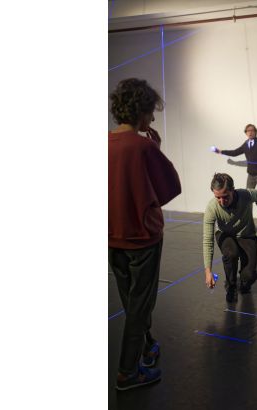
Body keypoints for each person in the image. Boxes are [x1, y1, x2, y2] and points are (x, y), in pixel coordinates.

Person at [108, 78, 182, 391]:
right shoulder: (143, 147)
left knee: (131, 301)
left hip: (111, 238)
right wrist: (156, 150)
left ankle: (147, 345)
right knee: (141, 305)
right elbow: (168, 188)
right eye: (151, 112)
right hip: (143, 240)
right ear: (141, 111)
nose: (152, 118)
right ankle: (128, 372)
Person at [202, 173, 257, 303]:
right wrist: (208, 272)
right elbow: (207, 240)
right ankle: (231, 287)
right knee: (231, 254)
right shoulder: (212, 208)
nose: (222, 202)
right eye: (218, 197)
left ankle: (244, 282)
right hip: (225, 234)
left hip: (246, 234)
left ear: (232, 190)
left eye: (225, 197)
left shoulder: (246, 195)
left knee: (249, 275)